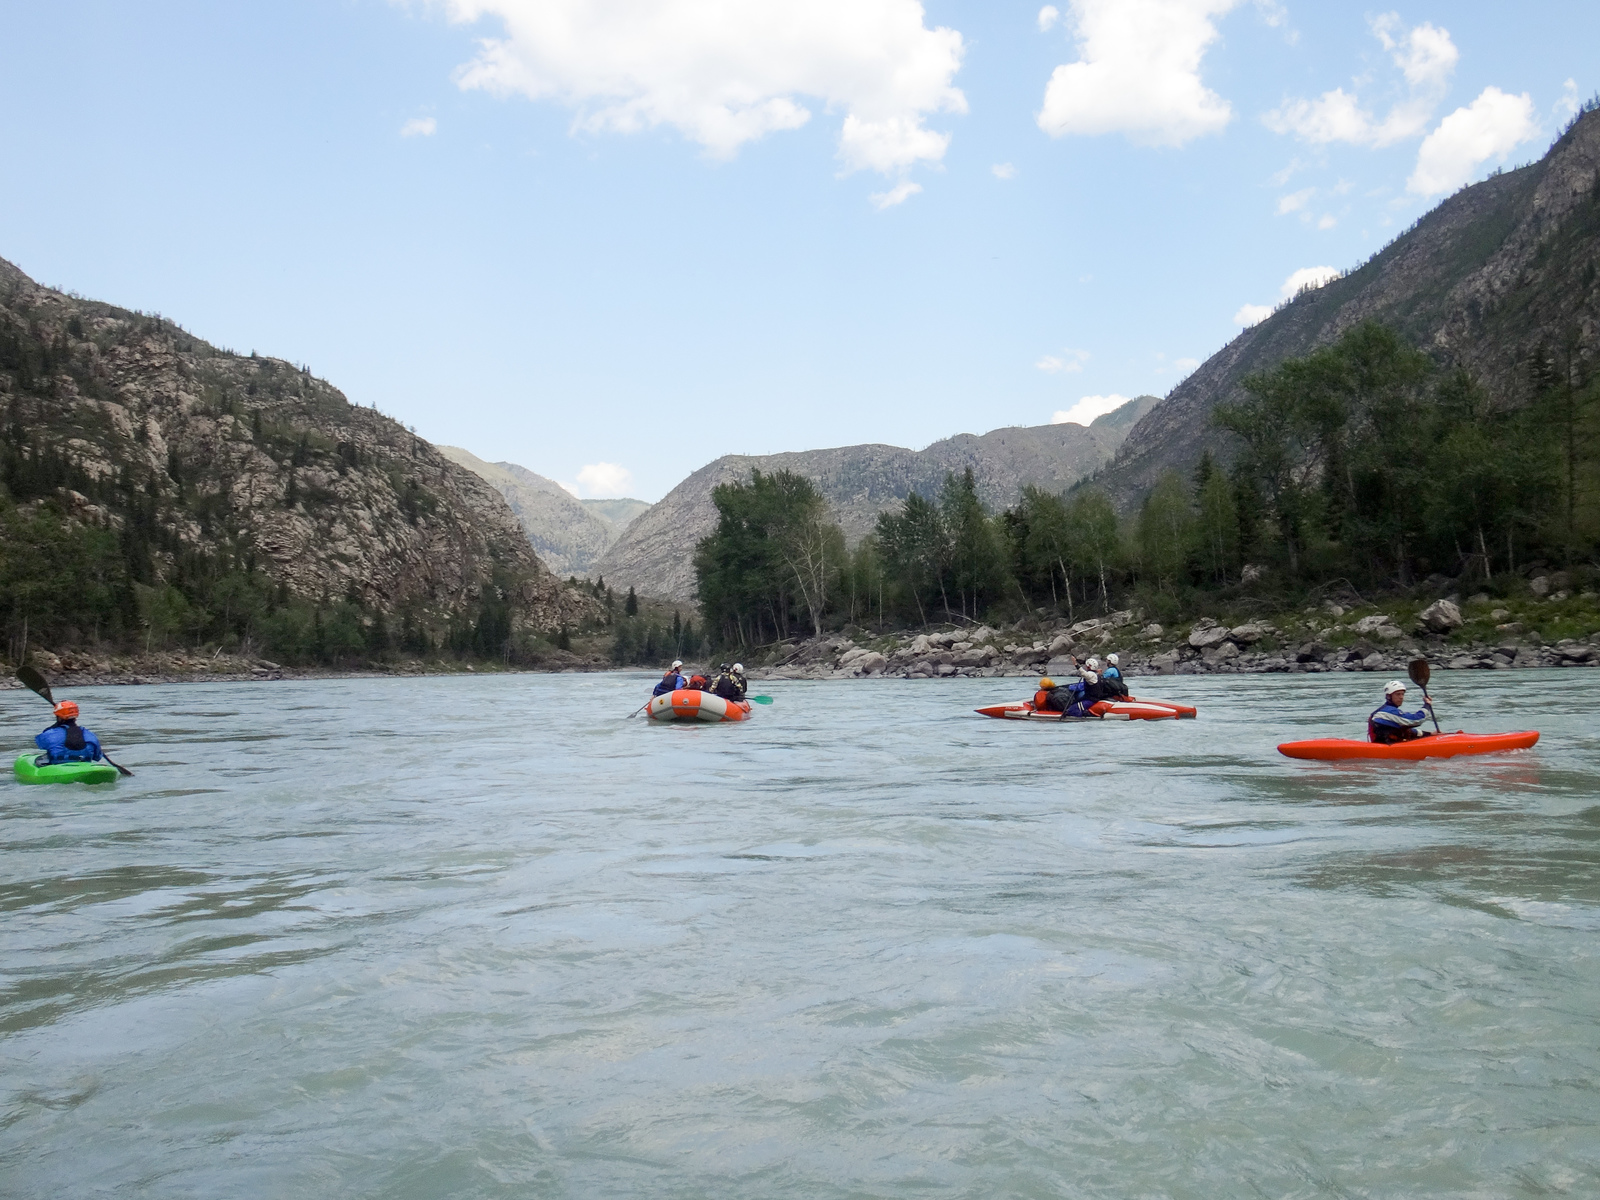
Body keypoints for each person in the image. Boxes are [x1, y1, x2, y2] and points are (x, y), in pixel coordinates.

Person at [35, 700, 103, 765]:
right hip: (84, 765)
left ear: (58, 717)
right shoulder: (90, 735)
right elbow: (97, 757)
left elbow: (41, 744)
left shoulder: (49, 734)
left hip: (58, 768)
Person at [1368, 680, 1433, 744]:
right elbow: (1416, 720)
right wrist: (1427, 705)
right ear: (1389, 696)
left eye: (1402, 694)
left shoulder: (1387, 711)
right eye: (1398, 694)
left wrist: (1429, 734)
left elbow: (1405, 730)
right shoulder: (1387, 712)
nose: (1401, 697)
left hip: (1389, 745)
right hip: (1386, 748)